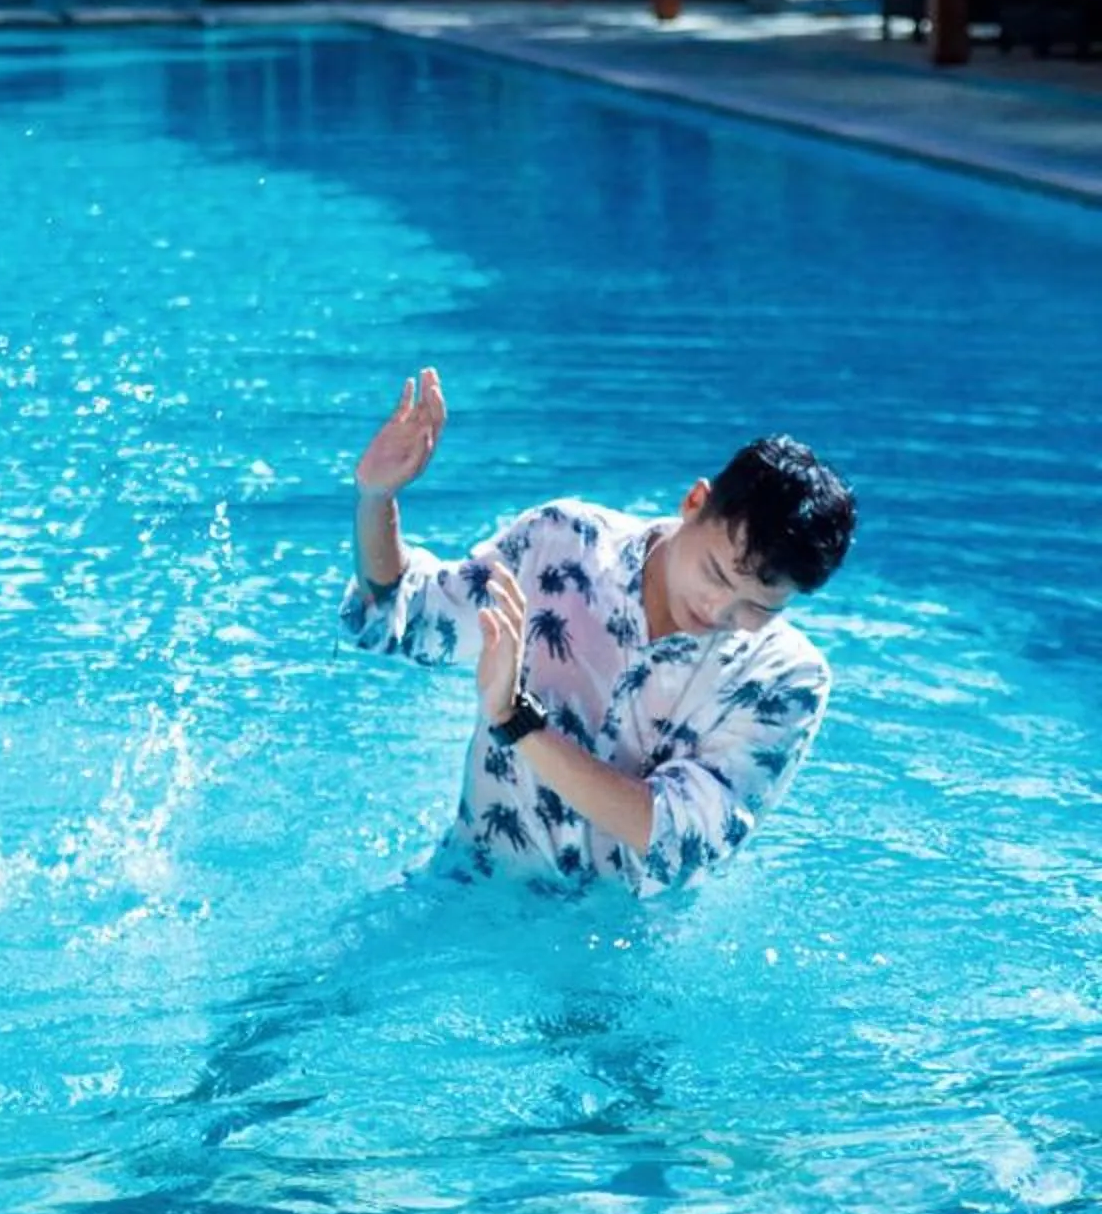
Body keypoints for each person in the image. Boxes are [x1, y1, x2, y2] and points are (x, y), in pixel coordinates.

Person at [343, 366, 855, 894]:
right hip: (466, 884)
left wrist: (516, 720)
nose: (720, 609)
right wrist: (376, 499)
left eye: (759, 607)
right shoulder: (563, 544)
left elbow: (681, 842)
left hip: (614, 931)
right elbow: (404, 618)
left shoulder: (786, 679)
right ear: (694, 503)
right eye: (716, 574)